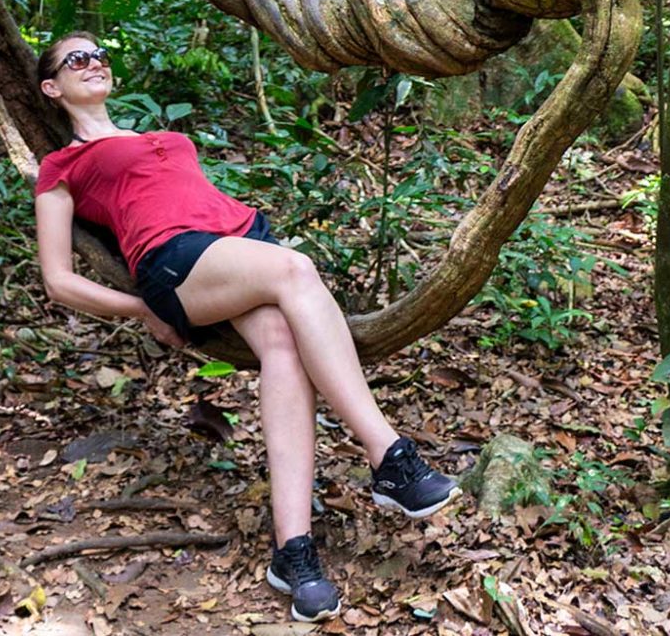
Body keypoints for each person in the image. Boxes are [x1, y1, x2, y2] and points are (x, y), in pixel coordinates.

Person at [34, 31, 459, 624]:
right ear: (53, 87)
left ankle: (294, 555)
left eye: (99, 53)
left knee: (283, 352)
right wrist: (141, 310)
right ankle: (388, 454)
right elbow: (57, 278)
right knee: (295, 268)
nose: (93, 62)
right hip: (173, 260)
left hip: (236, 243)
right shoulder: (62, 165)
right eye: (75, 59)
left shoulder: (156, 136)